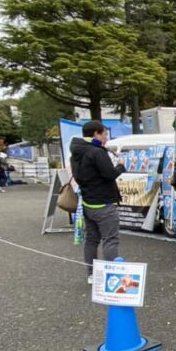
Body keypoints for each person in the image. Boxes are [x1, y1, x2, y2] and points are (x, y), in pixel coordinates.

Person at [70, 120, 126, 284]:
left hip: (87, 202)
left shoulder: (76, 151)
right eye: (105, 134)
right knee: (110, 240)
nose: (106, 137)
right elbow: (110, 174)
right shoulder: (97, 152)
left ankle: (92, 275)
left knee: (92, 240)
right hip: (103, 203)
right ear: (96, 134)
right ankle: (112, 277)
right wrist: (121, 167)